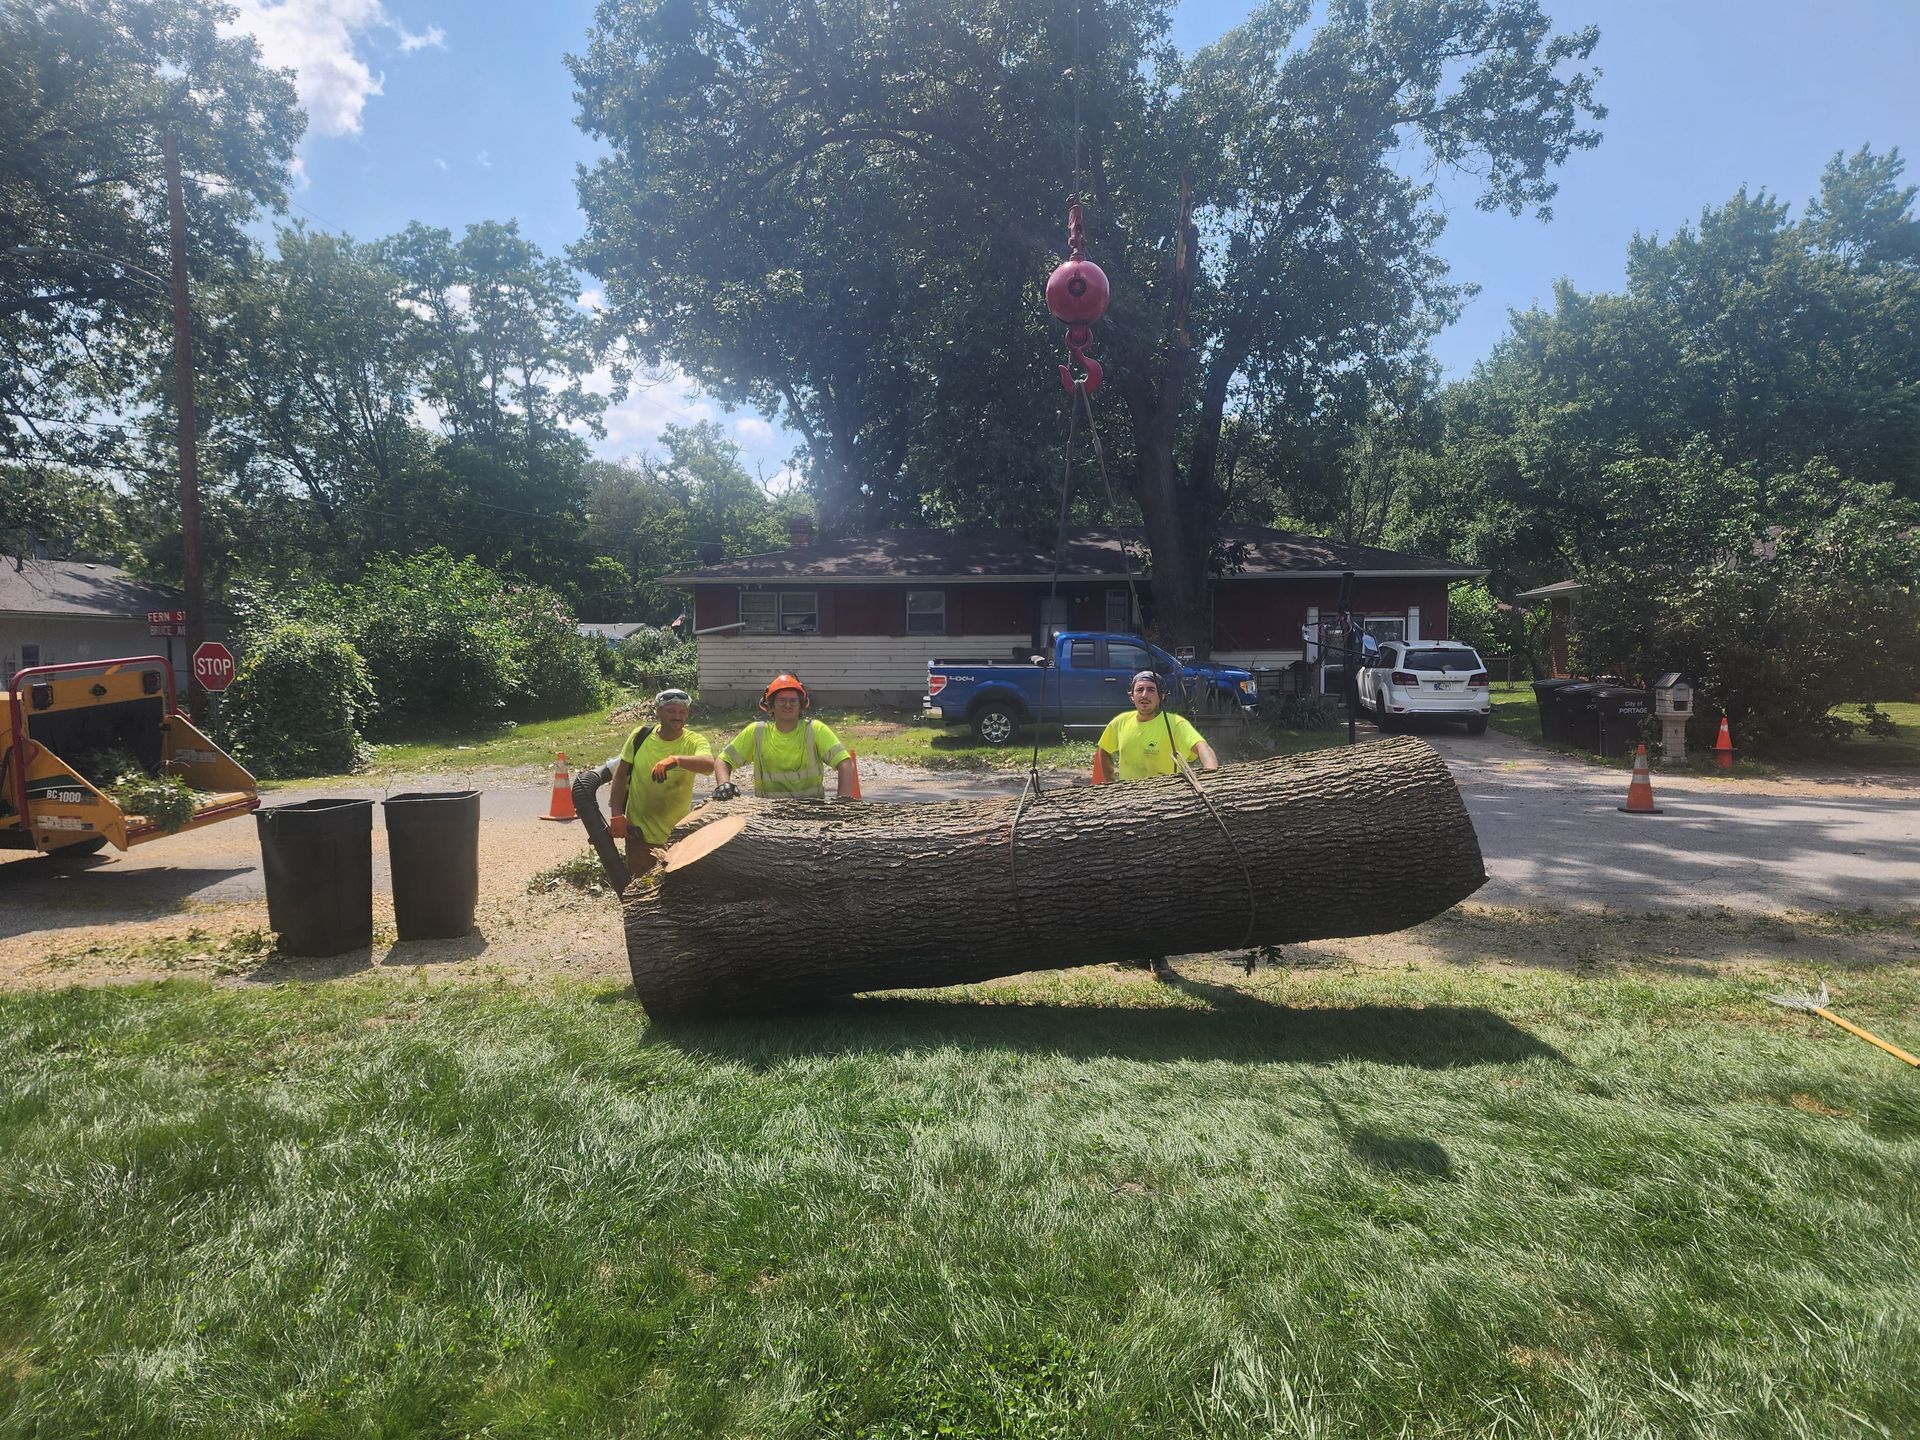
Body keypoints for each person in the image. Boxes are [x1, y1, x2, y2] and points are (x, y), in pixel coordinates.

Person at [608, 687, 715, 877]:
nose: (677, 716)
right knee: (641, 892)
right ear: (658, 711)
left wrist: (676, 760)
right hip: (639, 836)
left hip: (676, 837)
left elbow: (708, 764)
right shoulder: (640, 736)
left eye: (682, 712)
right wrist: (616, 814)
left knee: (674, 891)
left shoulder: (694, 741)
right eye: (671, 711)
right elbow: (621, 774)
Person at [711, 673, 858, 801]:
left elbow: (845, 764)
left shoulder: (815, 730)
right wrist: (724, 785)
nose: (787, 705)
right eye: (781, 700)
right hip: (767, 815)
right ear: (771, 705)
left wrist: (842, 804)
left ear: (801, 705)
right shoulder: (757, 732)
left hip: (812, 812)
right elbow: (723, 761)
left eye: (793, 701)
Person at [1096, 671, 1220, 781]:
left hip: (1165, 800)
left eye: (1151, 690)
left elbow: (1202, 747)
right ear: (1132, 696)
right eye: (1139, 690)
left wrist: (1211, 777)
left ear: (1162, 696)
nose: (1144, 695)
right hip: (1129, 800)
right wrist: (1110, 784)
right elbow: (1104, 750)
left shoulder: (1176, 724)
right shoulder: (1120, 722)